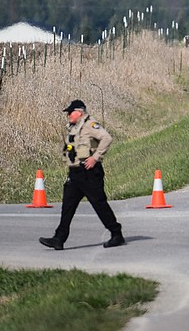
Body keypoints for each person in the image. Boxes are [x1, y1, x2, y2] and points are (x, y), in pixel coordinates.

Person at [39, 99, 125, 250]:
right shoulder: (74, 127)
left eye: (70, 112)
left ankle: (116, 233)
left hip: (89, 173)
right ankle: (59, 239)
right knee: (67, 206)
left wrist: (95, 157)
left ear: (79, 112)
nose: (68, 116)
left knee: (99, 204)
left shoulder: (90, 125)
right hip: (75, 174)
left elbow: (107, 138)